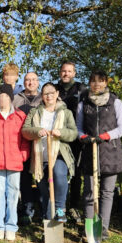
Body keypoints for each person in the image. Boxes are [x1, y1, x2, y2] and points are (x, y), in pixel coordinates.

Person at [76, 70, 122, 241]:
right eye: (93, 81)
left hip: (110, 151)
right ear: (90, 83)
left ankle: (103, 228)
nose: (97, 84)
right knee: (89, 191)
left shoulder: (115, 102)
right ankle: (89, 226)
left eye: (100, 81)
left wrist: (106, 136)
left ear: (106, 83)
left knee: (107, 192)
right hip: (90, 151)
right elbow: (78, 127)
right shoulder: (84, 103)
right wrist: (83, 136)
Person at [0, 84, 30, 241]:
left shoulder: (20, 116)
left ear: (11, 98)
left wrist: (22, 155)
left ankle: (11, 226)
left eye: (6, 96)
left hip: (15, 161)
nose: (3, 99)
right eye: (0, 96)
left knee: (13, 194)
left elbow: (25, 139)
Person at [21, 82, 77, 223]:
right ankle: (48, 217)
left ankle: (60, 210)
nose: (49, 96)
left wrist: (61, 132)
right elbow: (25, 131)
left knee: (59, 175)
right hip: (40, 158)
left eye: (52, 92)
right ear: (42, 96)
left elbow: (73, 133)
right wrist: (37, 131)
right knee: (44, 189)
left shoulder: (66, 112)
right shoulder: (34, 112)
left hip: (59, 155)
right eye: (46, 93)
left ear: (57, 94)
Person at [56, 61, 87, 217]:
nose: (66, 74)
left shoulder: (81, 90)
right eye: (64, 71)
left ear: (74, 73)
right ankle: (57, 207)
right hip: (58, 138)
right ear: (60, 73)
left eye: (69, 71)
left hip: (76, 138)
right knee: (58, 173)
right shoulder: (55, 89)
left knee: (75, 173)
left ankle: (74, 206)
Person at [13, 71, 42, 223]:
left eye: (33, 80)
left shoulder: (43, 97)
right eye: (27, 80)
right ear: (23, 82)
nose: (30, 83)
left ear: (38, 82)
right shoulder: (16, 99)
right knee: (24, 179)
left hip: (40, 146)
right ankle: (27, 210)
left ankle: (43, 210)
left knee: (41, 179)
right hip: (22, 145)